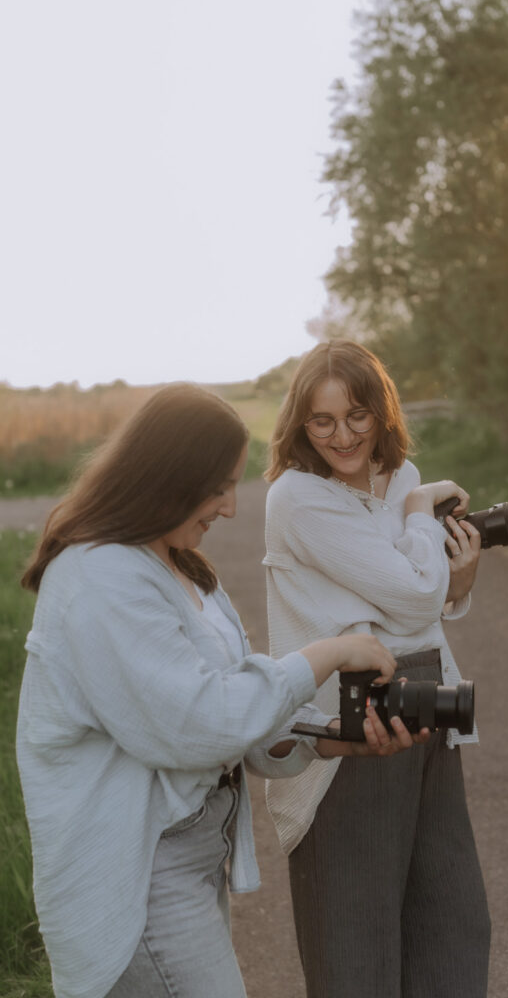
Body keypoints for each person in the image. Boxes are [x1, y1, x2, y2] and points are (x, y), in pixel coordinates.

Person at [16, 382, 414, 998]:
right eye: (221, 486)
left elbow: (231, 710)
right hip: (135, 871)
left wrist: (330, 739)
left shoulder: (177, 566)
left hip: (188, 858)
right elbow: (197, 724)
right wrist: (327, 652)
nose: (230, 507)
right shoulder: (99, 577)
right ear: (168, 477)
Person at [263, 341, 492, 998]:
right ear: (299, 425)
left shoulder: (400, 476)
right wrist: (421, 520)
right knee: (354, 942)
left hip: (425, 700)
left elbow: (423, 600)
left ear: (380, 409)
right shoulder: (297, 498)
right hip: (350, 724)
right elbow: (417, 594)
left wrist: (457, 577)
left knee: (449, 921)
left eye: (357, 415)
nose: (342, 435)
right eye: (321, 421)